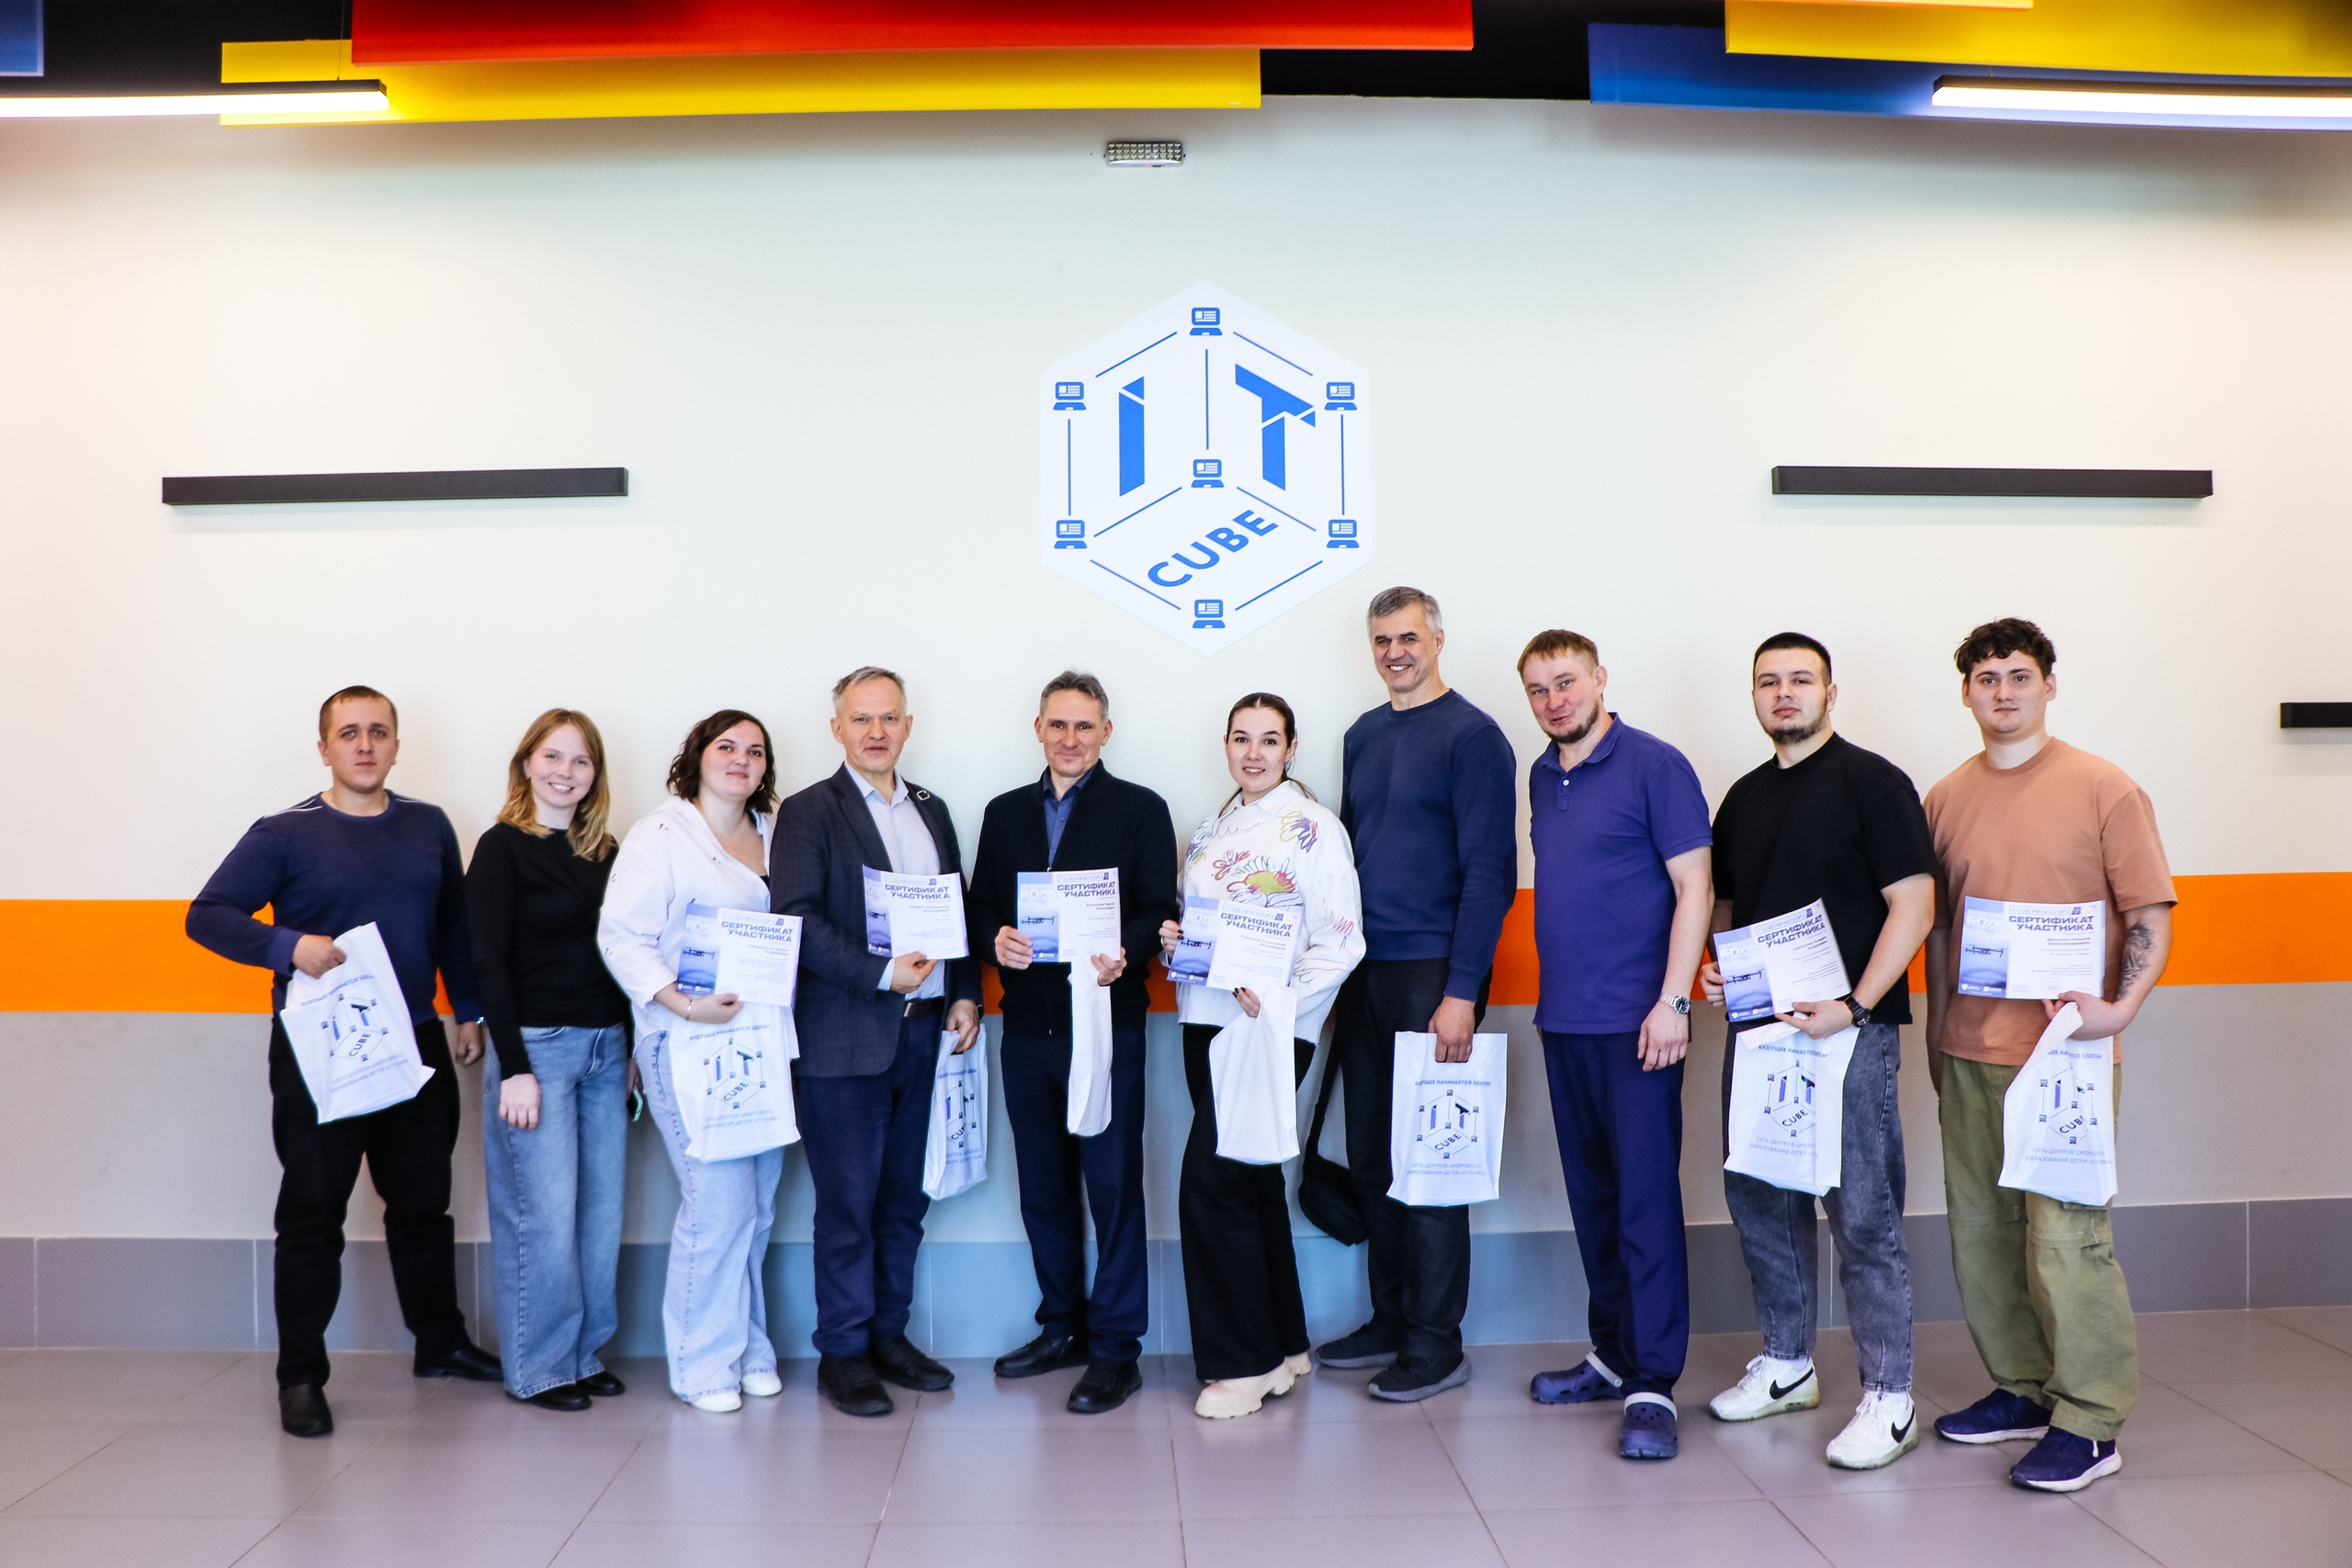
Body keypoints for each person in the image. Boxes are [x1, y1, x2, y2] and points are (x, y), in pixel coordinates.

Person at [187, 686, 502, 1439]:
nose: (365, 745)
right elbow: (207, 914)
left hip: (415, 1041)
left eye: (379, 732)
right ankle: (300, 1375)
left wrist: (467, 1008)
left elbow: (453, 925)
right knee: (313, 1211)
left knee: (422, 1203)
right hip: (319, 1048)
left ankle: (440, 1341)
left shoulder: (428, 825)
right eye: (350, 733)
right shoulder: (283, 832)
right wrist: (286, 945)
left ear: (397, 744)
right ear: (324, 747)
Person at [1923, 619, 2174, 1493]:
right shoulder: (1946, 797)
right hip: (1969, 1052)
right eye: (1986, 678)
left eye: (2019, 675)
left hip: (2067, 1056)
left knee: (2068, 1237)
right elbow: (1942, 933)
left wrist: (2119, 1010)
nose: (2003, 691)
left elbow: (2149, 914)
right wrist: (1938, 1037)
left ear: (2049, 685)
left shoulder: (2104, 787)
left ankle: (2092, 1419)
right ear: (1966, 692)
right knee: (1983, 1233)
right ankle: (2023, 1387)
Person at [1697, 635, 1936, 1469]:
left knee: (1862, 1211)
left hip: (1849, 1031)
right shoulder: (1743, 797)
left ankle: (1891, 1396)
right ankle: (1788, 1361)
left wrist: (1856, 1004)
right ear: (1754, 697)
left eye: (1801, 679)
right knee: (1760, 1194)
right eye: (1768, 681)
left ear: (1831, 691)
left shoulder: (1874, 783)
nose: (1784, 693)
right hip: (1762, 1031)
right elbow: (1729, 905)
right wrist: (1720, 969)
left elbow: (1914, 904)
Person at [1316, 588, 1516, 1404]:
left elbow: (1490, 873)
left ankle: (1436, 1345)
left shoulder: (1473, 736)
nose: (1395, 651)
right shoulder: (1361, 735)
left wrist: (1463, 990)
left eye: (1408, 636)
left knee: (1431, 1163)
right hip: (1364, 971)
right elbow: (1344, 868)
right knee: (1375, 1158)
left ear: (1437, 639)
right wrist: (1333, 975)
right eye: (1381, 640)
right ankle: (1392, 1318)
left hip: (1434, 974)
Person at [1517, 630, 1713, 1461]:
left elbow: (1694, 885)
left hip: (1640, 1027)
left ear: (1599, 679)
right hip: (1565, 1021)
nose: (1554, 700)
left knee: (1643, 1202)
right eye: (1538, 689)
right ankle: (1612, 1352)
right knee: (1593, 1199)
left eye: (1566, 682)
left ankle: (1653, 1384)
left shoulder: (1655, 764)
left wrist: (1673, 1001)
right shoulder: (1541, 773)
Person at [771, 668, 982, 1417]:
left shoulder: (932, 808)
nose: (875, 731)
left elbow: (956, 908)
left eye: (888, 717)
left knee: (902, 1203)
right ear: (837, 728)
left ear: (908, 725)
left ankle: (888, 1336)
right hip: (843, 1040)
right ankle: (844, 1352)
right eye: (860, 718)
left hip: (923, 1036)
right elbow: (797, 918)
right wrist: (881, 973)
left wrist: (964, 991)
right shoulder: (808, 811)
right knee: (847, 1208)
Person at [967, 671, 1180, 1415]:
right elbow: (980, 905)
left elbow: (1157, 908)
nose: (1070, 738)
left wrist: (1125, 950)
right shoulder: (1004, 812)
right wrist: (995, 938)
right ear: (1038, 729)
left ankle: (1116, 1349)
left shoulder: (1141, 808)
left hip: (1107, 1025)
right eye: (1057, 724)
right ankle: (1062, 1325)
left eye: (1084, 726)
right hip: (1027, 1030)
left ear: (1105, 732)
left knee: (1113, 1188)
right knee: (1043, 1187)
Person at [1159, 693, 1364, 1419]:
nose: (1254, 752)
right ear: (1225, 745)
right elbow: (1202, 929)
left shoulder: (1314, 828)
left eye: (1269, 739)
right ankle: (1282, 1345)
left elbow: (1343, 939)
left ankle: (1241, 1364)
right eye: (1241, 738)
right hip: (1205, 1023)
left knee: (1212, 1183)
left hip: (1268, 1027)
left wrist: (1280, 999)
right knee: (1248, 1179)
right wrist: (1176, 941)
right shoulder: (1208, 832)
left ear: (1291, 748)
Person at [598, 709, 786, 1414]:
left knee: (758, 1206)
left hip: (763, 1042)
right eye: (726, 746)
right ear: (697, 756)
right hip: (687, 1040)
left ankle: (749, 1348)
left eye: (755, 751)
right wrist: (681, 1002)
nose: (741, 759)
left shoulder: (773, 833)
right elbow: (621, 936)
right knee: (718, 1203)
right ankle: (702, 1362)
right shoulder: (662, 835)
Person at [467, 709, 633, 1413]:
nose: (566, 772)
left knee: (599, 1215)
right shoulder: (502, 847)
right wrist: (514, 1066)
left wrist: (630, 1048)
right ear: (526, 763)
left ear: (596, 773)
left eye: (581, 760)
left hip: (606, 1049)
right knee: (543, 1215)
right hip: (537, 1049)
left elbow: (627, 951)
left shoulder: (607, 851)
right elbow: (487, 960)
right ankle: (538, 1367)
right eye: (553, 756)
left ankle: (582, 1354)